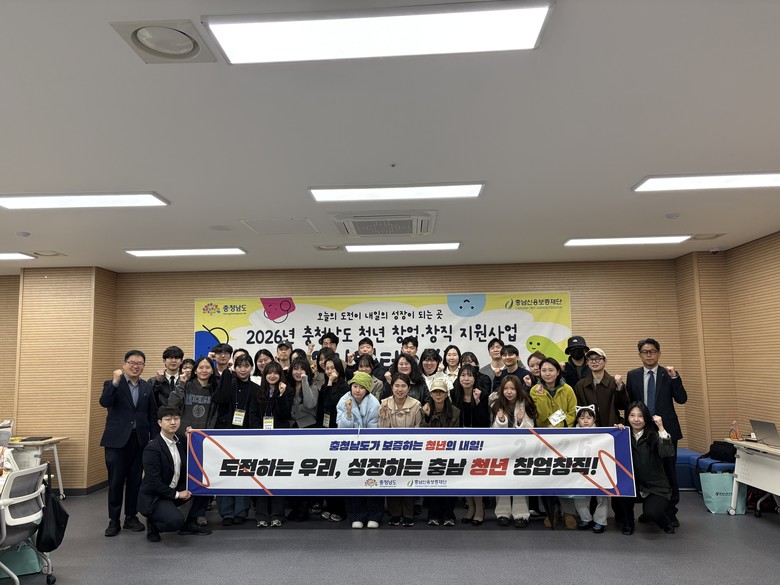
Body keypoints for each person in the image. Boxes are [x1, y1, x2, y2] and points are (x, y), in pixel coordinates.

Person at [625, 338, 687, 528]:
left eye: (652, 351)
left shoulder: (668, 374)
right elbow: (630, 404)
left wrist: (675, 378)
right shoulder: (633, 375)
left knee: (669, 471)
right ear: (640, 355)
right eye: (645, 352)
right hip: (640, 430)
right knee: (644, 470)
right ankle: (652, 509)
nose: (649, 355)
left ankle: (670, 511)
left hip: (665, 429)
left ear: (659, 353)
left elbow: (682, 399)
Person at [99, 350, 158, 537]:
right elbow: (104, 402)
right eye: (132, 363)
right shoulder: (112, 384)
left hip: (139, 441)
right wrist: (115, 382)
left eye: (140, 363)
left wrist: (154, 440)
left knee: (135, 481)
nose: (135, 366)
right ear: (124, 365)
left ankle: (131, 517)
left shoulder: (147, 387)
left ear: (144, 367)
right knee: (115, 481)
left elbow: (152, 415)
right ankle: (114, 520)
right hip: (116, 442)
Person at [138, 406, 211, 541]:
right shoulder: (152, 449)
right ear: (160, 423)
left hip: (175, 487)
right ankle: (153, 523)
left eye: (176, 418)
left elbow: (196, 454)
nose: (173, 422)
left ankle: (190, 523)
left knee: (205, 486)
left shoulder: (181, 440)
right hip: (156, 496)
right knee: (175, 522)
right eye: (168, 419)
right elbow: (154, 483)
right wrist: (177, 494)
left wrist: (192, 437)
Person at [168, 355, 220, 528]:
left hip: (204, 440)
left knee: (204, 478)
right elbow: (172, 404)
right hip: (183, 438)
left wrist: (207, 434)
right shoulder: (187, 385)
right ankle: (181, 512)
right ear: (195, 370)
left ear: (212, 371)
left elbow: (215, 415)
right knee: (184, 477)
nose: (204, 370)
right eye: (201, 367)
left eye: (207, 367)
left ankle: (199, 513)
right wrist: (181, 384)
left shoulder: (215, 388)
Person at [528, 357, 578, 529]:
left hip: (564, 438)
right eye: (544, 370)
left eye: (551, 370)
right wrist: (542, 397)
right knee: (546, 476)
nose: (547, 373)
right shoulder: (535, 390)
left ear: (558, 372)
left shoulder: (567, 389)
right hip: (543, 439)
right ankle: (552, 512)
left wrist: (556, 424)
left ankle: (569, 512)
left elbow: (572, 413)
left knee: (564, 475)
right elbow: (539, 416)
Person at [613, 401, 676, 535]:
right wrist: (615, 433)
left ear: (646, 418)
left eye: (640, 416)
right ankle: (628, 523)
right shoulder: (623, 435)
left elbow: (667, 452)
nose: (636, 419)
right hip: (632, 485)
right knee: (619, 500)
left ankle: (665, 521)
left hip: (656, 487)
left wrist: (661, 428)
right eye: (632, 415)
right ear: (627, 417)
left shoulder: (654, 435)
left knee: (652, 512)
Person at [212, 354, 257, 526]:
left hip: (246, 437)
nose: (243, 369)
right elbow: (219, 399)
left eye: (246, 366)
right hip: (225, 435)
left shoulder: (255, 388)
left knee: (243, 473)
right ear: (234, 368)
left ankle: (241, 511)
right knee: (225, 472)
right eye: (239, 366)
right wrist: (226, 373)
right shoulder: (228, 383)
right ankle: (226, 513)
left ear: (251, 368)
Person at [248, 361, 292, 527]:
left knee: (278, 477)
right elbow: (252, 414)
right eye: (269, 373)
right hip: (261, 440)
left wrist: (281, 395)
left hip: (280, 440)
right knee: (262, 477)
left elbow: (285, 414)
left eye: (276, 373)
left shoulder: (287, 391)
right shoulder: (257, 392)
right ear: (264, 375)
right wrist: (259, 433)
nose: (272, 376)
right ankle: (261, 515)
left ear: (280, 375)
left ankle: (277, 515)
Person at [337, 372, 382, 529]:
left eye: (361, 387)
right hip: (350, 448)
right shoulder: (343, 400)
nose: (357, 390)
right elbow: (340, 428)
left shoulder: (374, 403)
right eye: (355, 386)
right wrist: (349, 413)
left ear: (367, 389)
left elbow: (374, 428)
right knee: (353, 480)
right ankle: (356, 515)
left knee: (373, 481)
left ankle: (375, 515)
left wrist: (365, 445)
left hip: (370, 449)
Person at [490, 375, 535, 528]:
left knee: (519, 481)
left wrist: (521, 421)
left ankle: (521, 514)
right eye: (506, 389)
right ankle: (502, 513)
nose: (509, 392)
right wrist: (501, 421)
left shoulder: (526, 402)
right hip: (501, 449)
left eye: (512, 389)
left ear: (518, 389)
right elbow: (492, 430)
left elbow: (531, 428)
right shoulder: (496, 404)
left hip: (521, 450)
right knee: (501, 480)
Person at [379, 372, 422, 526]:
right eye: (396, 386)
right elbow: (382, 429)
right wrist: (384, 414)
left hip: (411, 449)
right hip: (391, 450)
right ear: (392, 387)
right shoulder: (384, 403)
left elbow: (418, 428)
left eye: (403, 386)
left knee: (408, 481)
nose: (400, 389)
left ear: (409, 388)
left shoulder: (416, 404)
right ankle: (395, 514)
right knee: (392, 481)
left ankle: (409, 514)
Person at [420, 376, 460, 526]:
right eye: (435, 392)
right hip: (430, 453)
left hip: (450, 453)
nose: (438, 395)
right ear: (430, 394)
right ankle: (433, 515)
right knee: (433, 485)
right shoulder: (425, 409)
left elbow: (456, 433)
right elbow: (422, 432)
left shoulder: (455, 411)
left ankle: (449, 515)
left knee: (450, 485)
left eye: (441, 392)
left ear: (446, 394)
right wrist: (427, 417)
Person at [572, 405, 608, 533]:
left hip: (599, 468)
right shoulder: (570, 434)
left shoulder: (603, 434)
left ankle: (600, 521)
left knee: (602, 495)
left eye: (588, 417)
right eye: (582, 418)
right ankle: (585, 518)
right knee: (579, 494)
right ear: (577, 420)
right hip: (580, 468)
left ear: (594, 419)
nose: (585, 421)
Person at [573, 348, 628, 427]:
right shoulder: (580, 385)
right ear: (587, 362)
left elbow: (623, 406)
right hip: (589, 429)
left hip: (611, 427)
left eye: (598, 359)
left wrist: (619, 387)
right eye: (591, 359)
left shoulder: (614, 382)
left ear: (605, 361)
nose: (594, 362)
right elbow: (578, 409)